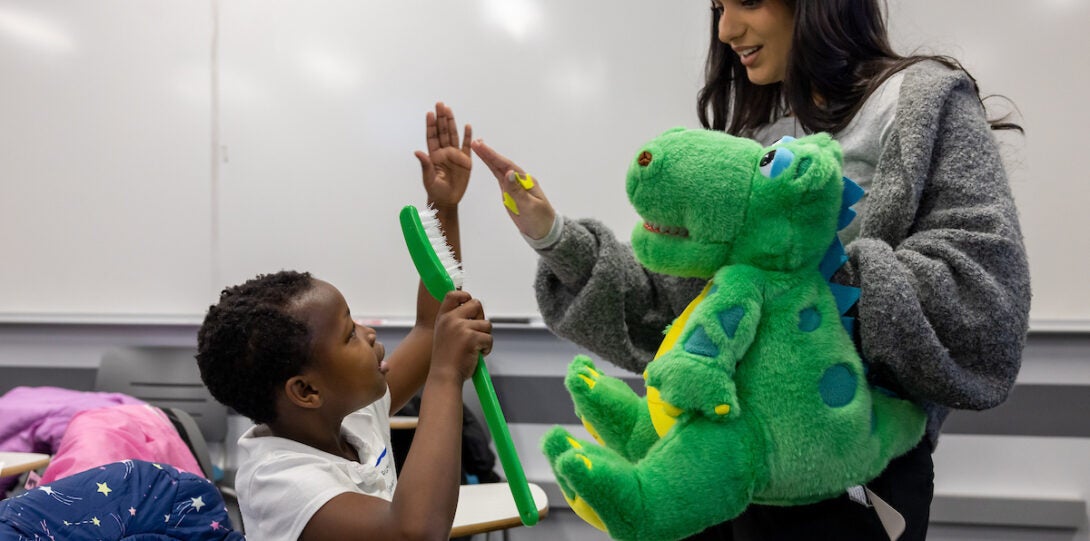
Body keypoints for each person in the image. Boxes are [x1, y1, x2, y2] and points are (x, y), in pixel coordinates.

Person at [469, 1, 1031, 540]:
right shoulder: (756, 142)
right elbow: (673, 314)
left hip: (850, 482)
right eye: (718, 7)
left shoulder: (919, 102)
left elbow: (984, 299)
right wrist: (552, 235)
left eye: (749, 1)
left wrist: (807, 278)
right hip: (730, 467)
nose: (726, 30)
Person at [196, 103, 495, 541]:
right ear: (307, 390)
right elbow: (414, 532)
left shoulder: (348, 418)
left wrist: (442, 208)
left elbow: (431, 329)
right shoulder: (281, 481)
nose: (369, 334)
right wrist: (446, 376)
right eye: (350, 334)